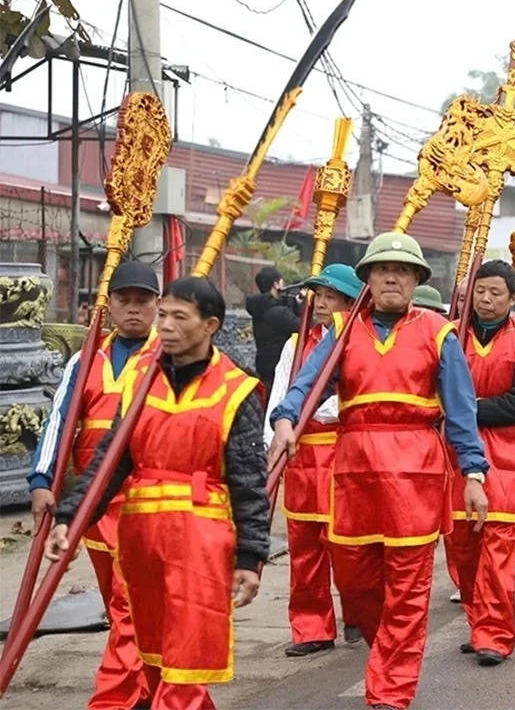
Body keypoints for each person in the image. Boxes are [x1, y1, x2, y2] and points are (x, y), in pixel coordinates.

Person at [267, 233, 488, 710]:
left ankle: (390, 691)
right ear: (367, 279)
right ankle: (387, 648)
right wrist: (285, 418)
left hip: (416, 476)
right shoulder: (344, 331)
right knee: (355, 583)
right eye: (383, 269)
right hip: (354, 474)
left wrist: (473, 473)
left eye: (403, 270)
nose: (392, 277)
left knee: (409, 589)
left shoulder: (437, 332)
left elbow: (462, 411)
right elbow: (306, 384)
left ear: (416, 281)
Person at [46, 276, 270, 709]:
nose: (164, 325)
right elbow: (108, 465)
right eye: (162, 314)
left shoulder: (235, 390)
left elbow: (249, 481)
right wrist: (70, 518)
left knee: (186, 663)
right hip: (142, 541)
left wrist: (250, 556)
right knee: (154, 656)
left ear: (210, 326)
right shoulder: (139, 383)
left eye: (178, 317)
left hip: (201, 544)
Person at [27, 260, 160, 710]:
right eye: (125, 300)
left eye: (144, 301)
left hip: (145, 496)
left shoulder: (170, 355)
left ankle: (116, 698)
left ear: (158, 306)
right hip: (93, 500)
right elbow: (59, 422)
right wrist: (43, 480)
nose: (134, 310)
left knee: (128, 601)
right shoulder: (86, 359)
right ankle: (153, 685)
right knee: (120, 600)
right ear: (110, 306)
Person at [445, 260, 515, 666]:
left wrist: (463, 408)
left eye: (495, 293)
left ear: (513, 299)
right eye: (479, 292)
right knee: (463, 548)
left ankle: (495, 634)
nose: (485, 300)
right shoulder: (449, 336)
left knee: (499, 547)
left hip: (508, 455)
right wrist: (466, 411)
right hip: (455, 454)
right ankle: (477, 621)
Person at [264, 263, 364, 656]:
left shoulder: (358, 341)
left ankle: (357, 610)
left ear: (351, 302)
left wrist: (314, 409)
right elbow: (282, 392)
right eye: (317, 296)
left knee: (348, 544)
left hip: (343, 451)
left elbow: (348, 400)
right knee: (304, 544)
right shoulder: (297, 341)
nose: (321, 304)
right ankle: (311, 628)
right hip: (303, 453)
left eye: (331, 297)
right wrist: (274, 439)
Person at [247, 266, 301, 393]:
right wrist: (301, 307)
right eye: (281, 282)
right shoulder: (278, 313)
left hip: (264, 364)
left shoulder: (260, 308)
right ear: (276, 284)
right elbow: (302, 327)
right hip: (279, 369)